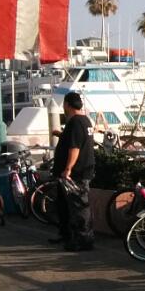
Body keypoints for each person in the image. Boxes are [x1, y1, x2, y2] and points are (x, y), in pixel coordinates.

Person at [52, 92, 96, 251]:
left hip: (76, 172)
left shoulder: (76, 122)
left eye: (64, 104)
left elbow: (75, 147)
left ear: (67, 104)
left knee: (79, 207)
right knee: (69, 206)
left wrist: (68, 168)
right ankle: (69, 236)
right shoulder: (85, 121)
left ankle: (84, 240)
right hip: (80, 170)